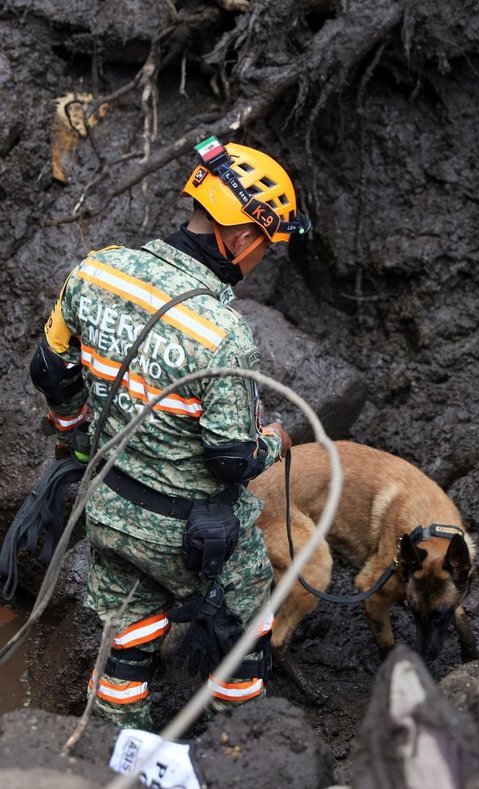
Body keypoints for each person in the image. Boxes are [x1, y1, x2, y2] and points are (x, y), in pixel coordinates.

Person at [29, 135, 309, 730]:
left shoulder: (96, 270)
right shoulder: (223, 333)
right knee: (246, 631)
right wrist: (275, 442)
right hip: (192, 537)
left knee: (124, 642)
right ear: (241, 238)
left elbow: (50, 370)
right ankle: (238, 747)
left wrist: (74, 435)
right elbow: (233, 459)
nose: (261, 258)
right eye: (265, 245)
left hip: (106, 507)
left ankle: (117, 749)